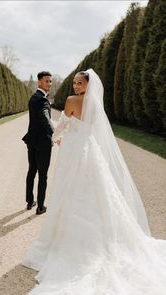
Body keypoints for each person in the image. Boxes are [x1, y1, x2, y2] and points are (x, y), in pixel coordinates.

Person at [22, 69, 166, 294]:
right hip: (90, 151)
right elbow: (94, 131)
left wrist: (56, 139)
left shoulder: (70, 101)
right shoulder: (96, 106)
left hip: (73, 150)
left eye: (80, 83)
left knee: (69, 189)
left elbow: (62, 125)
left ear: (88, 85)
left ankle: (67, 242)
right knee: (98, 191)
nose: (76, 87)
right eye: (75, 83)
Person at [22, 71, 54, 215]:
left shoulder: (33, 98)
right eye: (47, 81)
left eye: (50, 81)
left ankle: (30, 201)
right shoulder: (42, 100)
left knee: (31, 171)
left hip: (32, 141)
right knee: (43, 175)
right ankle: (40, 207)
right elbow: (44, 118)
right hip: (42, 143)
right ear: (39, 82)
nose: (49, 84)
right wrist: (55, 134)